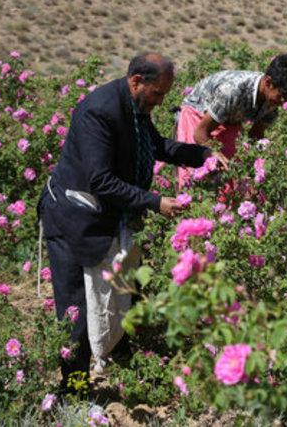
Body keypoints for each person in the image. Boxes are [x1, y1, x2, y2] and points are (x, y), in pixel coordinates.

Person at [37, 52, 212, 392]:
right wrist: (154, 202)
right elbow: (100, 180)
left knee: (123, 294)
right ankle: (73, 389)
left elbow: (156, 145)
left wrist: (202, 156)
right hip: (73, 219)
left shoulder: (134, 107)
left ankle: (127, 367)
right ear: (136, 81)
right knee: (76, 311)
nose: (161, 101)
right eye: (158, 93)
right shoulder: (100, 111)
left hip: (102, 215)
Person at [175, 52, 287, 189]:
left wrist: (263, 163)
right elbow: (200, 133)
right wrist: (215, 153)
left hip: (228, 120)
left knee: (229, 183)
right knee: (194, 178)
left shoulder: (273, 101)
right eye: (283, 96)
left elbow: (255, 136)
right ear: (268, 82)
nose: (284, 103)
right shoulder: (232, 90)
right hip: (197, 116)